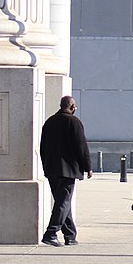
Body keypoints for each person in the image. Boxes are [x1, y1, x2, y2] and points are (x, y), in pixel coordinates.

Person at [38, 95, 92, 247]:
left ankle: (70, 235)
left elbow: (43, 147)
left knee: (62, 202)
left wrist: (46, 166)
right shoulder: (74, 122)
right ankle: (51, 233)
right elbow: (81, 147)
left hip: (51, 169)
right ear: (72, 107)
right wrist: (88, 167)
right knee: (63, 202)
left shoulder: (49, 122)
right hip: (67, 170)